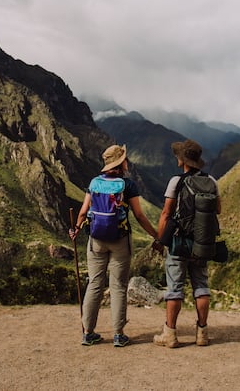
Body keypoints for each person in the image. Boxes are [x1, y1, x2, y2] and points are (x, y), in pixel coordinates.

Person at [69, 144, 162, 347]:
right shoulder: (127, 185)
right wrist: (156, 236)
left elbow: (83, 212)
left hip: (96, 240)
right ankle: (118, 334)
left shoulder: (94, 183)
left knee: (94, 283)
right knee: (118, 286)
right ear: (121, 163)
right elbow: (139, 215)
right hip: (120, 239)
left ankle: (88, 332)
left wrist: (76, 229)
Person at [153, 139, 221, 348]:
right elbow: (217, 210)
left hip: (179, 241)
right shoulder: (212, 181)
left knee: (175, 288)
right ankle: (202, 333)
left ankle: (170, 335)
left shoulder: (177, 181)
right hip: (201, 242)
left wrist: (159, 239)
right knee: (201, 285)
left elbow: (166, 212)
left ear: (183, 160)